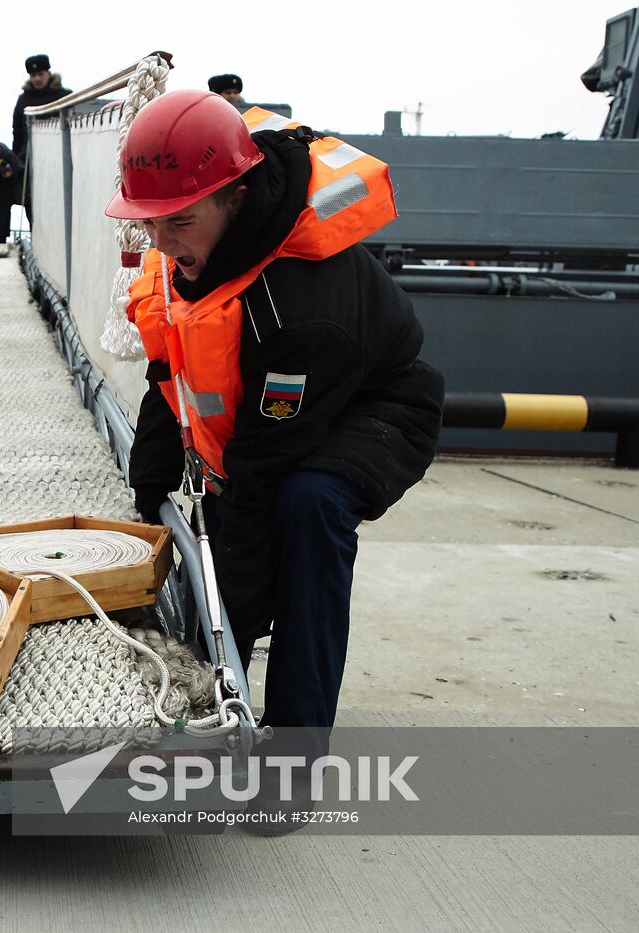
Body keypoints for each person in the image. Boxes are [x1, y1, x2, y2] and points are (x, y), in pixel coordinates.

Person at [108, 91, 442, 818]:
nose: (162, 242)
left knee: (304, 510)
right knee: (233, 538)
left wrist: (226, 640)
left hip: (373, 406)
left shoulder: (296, 307)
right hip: (279, 418)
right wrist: (148, 489)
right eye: (150, 223)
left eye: (181, 221)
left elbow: (260, 468)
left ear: (234, 195)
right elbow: (173, 365)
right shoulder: (188, 249)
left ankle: (291, 758)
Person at [11, 54, 71, 162]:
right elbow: (17, 133)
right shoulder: (22, 100)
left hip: (59, 155)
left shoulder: (65, 96)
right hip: (30, 158)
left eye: (40, 74)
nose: (37, 78)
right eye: (33, 75)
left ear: (48, 73)